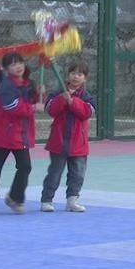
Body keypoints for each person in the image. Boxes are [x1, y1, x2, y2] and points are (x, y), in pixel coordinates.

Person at [0, 52, 44, 215]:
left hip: (21, 135)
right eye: (13, 64)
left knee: (25, 166)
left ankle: (14, 197)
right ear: (6, 69)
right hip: (4, 134)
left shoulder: (28, 84)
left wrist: (39, 93)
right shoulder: (6, 86)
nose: (18, 67)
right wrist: (33, 107)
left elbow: (34, 102)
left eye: (20, 63)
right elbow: (11, 106)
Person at [40, 63, 96, 212]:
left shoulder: (87, 96)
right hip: (59, 141)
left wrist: (73, 102)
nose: (75, 77)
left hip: (79, 143)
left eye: (80, 74)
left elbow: (87, 113)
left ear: (85, 78)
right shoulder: (58, 92)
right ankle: (46, 200)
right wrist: (61, 99)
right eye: (73, 73)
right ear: (68, 75)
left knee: (77, 174)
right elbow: (50, 110)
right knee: (54, 173)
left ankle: (72, 200)